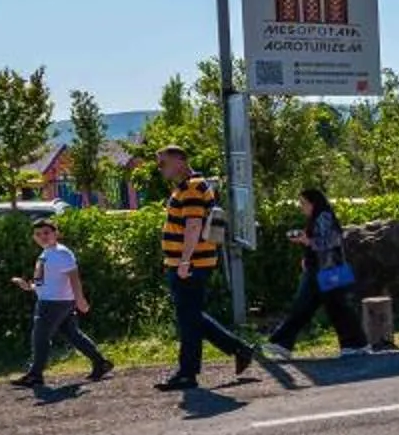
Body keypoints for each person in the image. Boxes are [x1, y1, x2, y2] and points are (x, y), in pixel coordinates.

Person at [152, 144, 255, 390]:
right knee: (192, 316)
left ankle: (188, 373)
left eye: (162, 163)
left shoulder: (192, 188)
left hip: (191, 263)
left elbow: (193, 226)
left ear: (179, 161)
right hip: (189, 262)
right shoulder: (188, 186)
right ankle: (239, 349)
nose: (159, 168)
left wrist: (185, 261)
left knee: (189, 320)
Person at [263, 185, 368, 359]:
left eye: (304, 203)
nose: (301, 206)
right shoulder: (317, 217)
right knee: (331, 308)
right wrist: (307, 250)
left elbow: (332, 240)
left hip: (327, 270)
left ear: (314, 203)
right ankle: (356, 344)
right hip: (321, 270)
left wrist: (308, 241)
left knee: (320, 307)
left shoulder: (323, 216)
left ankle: (280, 344)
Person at [7, 217, 110, 390]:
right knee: (73, 334)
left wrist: (80, 299)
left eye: (46, 233)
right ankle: (101, 363)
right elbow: (44, 282)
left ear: (56, 234)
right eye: (38, 234)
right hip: (56, 301)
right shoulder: (46, 254)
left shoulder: (61, 253)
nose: (42, 236)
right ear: (34, 237)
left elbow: (74, 277)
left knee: (40, 336)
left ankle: (35, 375)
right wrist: (29, 286)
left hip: (53, 303)